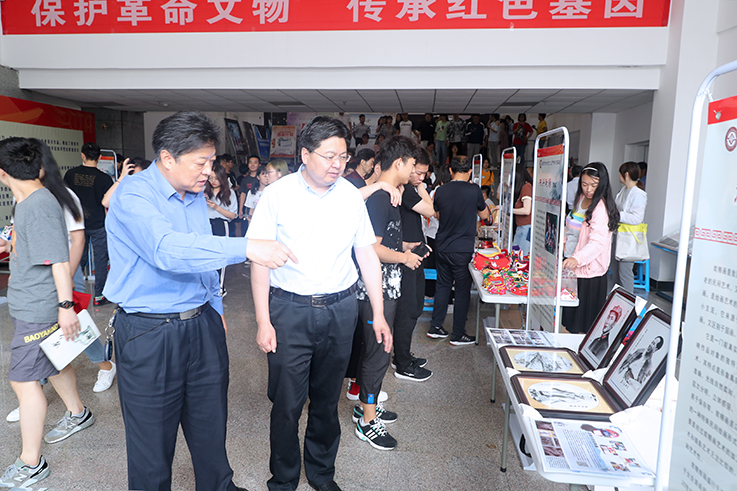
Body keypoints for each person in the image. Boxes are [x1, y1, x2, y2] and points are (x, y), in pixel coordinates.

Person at [104, 111, 295, 491]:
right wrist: (246, 247)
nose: (209, 171)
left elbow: (201, 251)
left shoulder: (193, 194)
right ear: (167, 158)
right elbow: (167, 250)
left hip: (201, 323)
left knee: (210, 425)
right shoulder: (133, 194)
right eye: (200, 162)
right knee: (151, 445)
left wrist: (215, 306)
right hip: (150, 332)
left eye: (211, 161)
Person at [247, 116, 391, 491]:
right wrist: (263, 321)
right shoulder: (277, 196)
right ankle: (283, 479)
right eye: (329, 156)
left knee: (327, 401)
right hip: (289, 311)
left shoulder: (350, 196)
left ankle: (322, 474)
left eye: (343, 157)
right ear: (305, 155)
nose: (337, 164)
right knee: (287, 404)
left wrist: (378, 313)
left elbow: (366, 254)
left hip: (340, 310)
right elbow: (259, 260)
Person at [0, 137, 95, 489]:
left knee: (22, 380)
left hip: (39, 305)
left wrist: (66, 307)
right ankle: (77, 412)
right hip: (33, 301)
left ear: (2, 172)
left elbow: (58, 259)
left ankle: (31, 463)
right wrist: (12, 245)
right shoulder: (31, 201)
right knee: (54, 361)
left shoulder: (37, 205)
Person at [354, 135, 422, 451]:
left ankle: (365, 407)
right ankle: (367, 421)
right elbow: (372, 249)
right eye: (412, 165)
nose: (414, 171)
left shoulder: (389, 196)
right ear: (399, 163)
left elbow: (383, 241)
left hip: (386, 287)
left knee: (376, 351)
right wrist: (404, 257)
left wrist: (403, 246)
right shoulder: (381, 199)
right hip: (376, 290)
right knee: (378, 352)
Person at [428, 156, 489, 345]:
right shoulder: (474, 190)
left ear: (451, 171)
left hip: (442, 246)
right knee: (462, 290)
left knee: (442, 286)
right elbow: (485, 214)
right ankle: (458, 334)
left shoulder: (441, 190)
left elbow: (437, 214)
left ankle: (435, 327)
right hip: (462, 249)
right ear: (470, 171)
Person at [562, 163, 620, 334]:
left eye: (593, 185)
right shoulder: (581, 198)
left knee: (583, 326)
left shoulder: (600, 208)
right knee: (570, 322)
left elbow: (597, 243)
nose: (588, 189)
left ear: (602, 184)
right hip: (572, 267)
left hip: (588, 272)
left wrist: (576, 258)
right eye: (584, 184)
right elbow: (570, 228)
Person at [393, 147, 435, 382]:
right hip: (405, 257)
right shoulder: (407, 190)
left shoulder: (408, 189)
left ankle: (403, 355)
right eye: (418, 172)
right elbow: (431, 210)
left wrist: (419, 185)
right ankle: (403, 364)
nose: (421, 177)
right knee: (407, 311)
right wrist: (421, 188)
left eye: (424, 174)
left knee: (414, 306)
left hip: (414, 253)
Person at [63, 142, 114, 306]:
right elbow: (109, 203)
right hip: (99, 224)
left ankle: (73, 294)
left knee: (77, 258)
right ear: (99, 157)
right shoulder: (105, 179)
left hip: (77, 225)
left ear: (82, 155)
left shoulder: (71, 174)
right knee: (100, 260)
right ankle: (99, 297)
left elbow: (64, 197)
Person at [612, 162, 648, 293]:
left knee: (625, 273)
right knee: (615, 271)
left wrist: (617, 215)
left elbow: (636, 218)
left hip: (628, 238)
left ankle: (628, 301)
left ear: (626, 175)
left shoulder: (638, 194)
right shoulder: (623, 191)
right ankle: (616, 298)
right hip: (618, 235)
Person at [512, 164, 534, 256]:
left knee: (522, 257)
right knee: (516, 254)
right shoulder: (523, 187)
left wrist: (509, 210)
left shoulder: (526, 187)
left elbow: (526, 210)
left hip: (525, 228)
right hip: (522, 227)